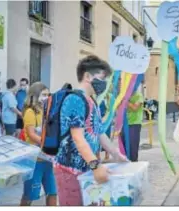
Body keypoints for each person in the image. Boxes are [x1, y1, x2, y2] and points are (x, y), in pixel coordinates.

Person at [53, 55, 128, 206]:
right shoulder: (75, 99)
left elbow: (99, 133)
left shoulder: (92, 101)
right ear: (87, 76)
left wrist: (116, 154)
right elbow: (78, 138)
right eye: (102, 78)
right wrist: (96, 166)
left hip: (86, 170)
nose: (104, 83)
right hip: (70, 170)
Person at [20, 82, 57, 206]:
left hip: (48, 159)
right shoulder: (30, 112)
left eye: (48, 94)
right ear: (35, 96)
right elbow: (31, 134)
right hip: (34, 160)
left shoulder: (47, 111)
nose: (46, 97)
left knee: (53, 192)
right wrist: (47, 144)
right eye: (43, 95)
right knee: (29, 195)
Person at [121, 85, 144, 162]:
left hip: (134, 123)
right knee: (124, 143)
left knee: (132, 144)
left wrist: (126, 101)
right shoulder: (124, 95)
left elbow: (135, 108)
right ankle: (126, 161)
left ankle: (134, 162)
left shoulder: (138, 95)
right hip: (124, 123)